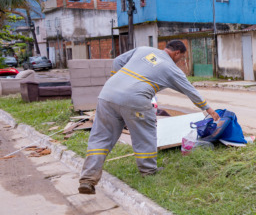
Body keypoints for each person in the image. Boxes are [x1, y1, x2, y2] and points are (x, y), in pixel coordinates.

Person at [77, 40, 220, 195]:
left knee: (101, 137)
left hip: (107, 94)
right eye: (182, 57)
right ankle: (148, 171)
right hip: (135, 99)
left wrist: (116, 81)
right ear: (177, 52)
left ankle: (87, 179)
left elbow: (118, 61)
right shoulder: (171, 69)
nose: (181, 61)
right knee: (144, 134)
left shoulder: (144, 50)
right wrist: (208, 109)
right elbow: (190, 91)